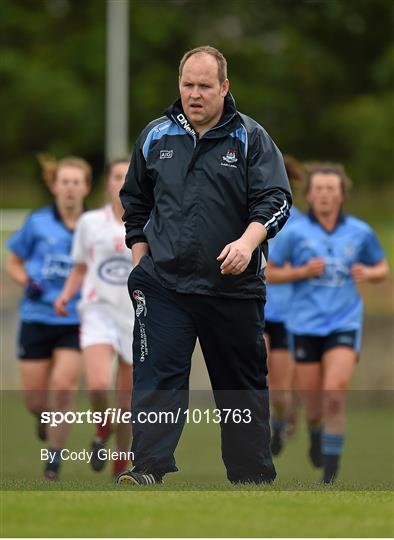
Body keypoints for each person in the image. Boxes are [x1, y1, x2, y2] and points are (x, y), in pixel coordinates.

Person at [117, 45, 292, 486]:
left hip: (233, 287)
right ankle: (148, 469)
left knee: (240, 384)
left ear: (224, 87)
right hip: (163, 285)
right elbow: (134, 202)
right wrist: (140, 261)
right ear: (179, 84)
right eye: (187, 84)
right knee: (156, 377)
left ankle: (251, 476)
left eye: (204, 86)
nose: (194, 94)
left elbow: (277, 201)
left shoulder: (250, 136)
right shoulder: (155, 136)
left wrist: (249, 242)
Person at [266, 162, 389, 483]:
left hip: (344, 322)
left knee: (335, 390)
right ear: (308, 194)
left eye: (330, 189)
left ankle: (330, 474)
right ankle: (315, 431)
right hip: (304, 325)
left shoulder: (359, 231)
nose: (324, 195)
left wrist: (370, 273)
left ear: (341, 194)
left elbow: (381, 267)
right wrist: (301, 272)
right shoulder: (294, 232)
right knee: (313, 405)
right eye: (318, 189)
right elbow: (271, 272)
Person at [6, 155, 91, 480]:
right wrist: (27, 280)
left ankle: (53, 459)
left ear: (85, 187)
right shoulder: (37, 223)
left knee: (63, 389)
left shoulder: (93, 225)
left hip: (75, 320)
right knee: (34, 400)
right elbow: (14, 262)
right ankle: (41, 418)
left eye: (76, 182)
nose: (69, 189)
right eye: (64, 182)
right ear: (55, 186)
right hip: (37, 318)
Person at [55, 158, 134, 479]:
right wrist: (64, 295)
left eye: (129, 177)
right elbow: (80, 267)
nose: (122, 182)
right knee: (100, 385)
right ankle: (103, 428)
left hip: (134, 316)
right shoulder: (90, 223)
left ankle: (120, 468)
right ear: (107, 183)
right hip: (97, 311)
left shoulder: (151, 222)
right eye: (117, 176)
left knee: (127, 406)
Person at [264, 155, 304, 456]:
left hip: (287, 316)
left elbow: (311, 269)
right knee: (256, 376)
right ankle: (258, 433)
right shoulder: (250, 215)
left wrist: (281, 273)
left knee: (280, 390)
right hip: (253, 308)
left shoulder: (302, 225)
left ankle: (281, 421)